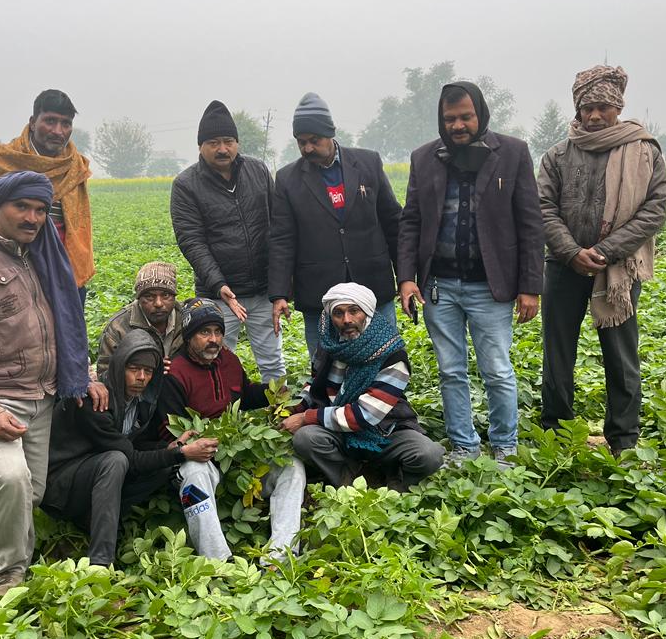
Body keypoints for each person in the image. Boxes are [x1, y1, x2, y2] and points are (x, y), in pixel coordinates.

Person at [0, 171, 106, 594]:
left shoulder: (45, 254)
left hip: (42, 394)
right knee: (12, 478)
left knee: (33, 490)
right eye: (22, 207)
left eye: (41, 210)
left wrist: (84, 373)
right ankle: (7, 575)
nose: (32, 218)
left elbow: (65, 323)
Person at [396, 82, 544, 468]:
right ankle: (464, 447)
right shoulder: (425, 157)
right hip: (439, 286)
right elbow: (411, 220)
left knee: (497, 369)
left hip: (490, 287)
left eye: (465, 117)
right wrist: (407, 278)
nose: (457, 125)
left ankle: (505, 445)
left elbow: (531, 224)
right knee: (450, 371)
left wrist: (530, 286)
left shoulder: (512, 153)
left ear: (480, 114)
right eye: (450, 119)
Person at [537, 65, 666, 455]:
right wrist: (571, 251)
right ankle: (556, 432)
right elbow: (543, 208)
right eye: (586, 108)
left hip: (618, 270)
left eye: (602, 108)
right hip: (563, 267)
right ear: (577, 110)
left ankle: (623, 440)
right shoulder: (557, 155)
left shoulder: (644, 151)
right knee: (558, 352)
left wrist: (605, 251)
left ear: (618, 108)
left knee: (620, 353)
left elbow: (654, 210)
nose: (594, 116)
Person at [43, 330, 217, 567]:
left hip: (96, 475)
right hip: (61, 486)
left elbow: (134, 444)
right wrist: (181, 453)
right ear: (119, 366)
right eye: (134, 369)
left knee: (161, 466)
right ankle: (100, 561)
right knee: (116, 461)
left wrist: (171, 447)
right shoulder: (96, 400)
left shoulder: (140, 401)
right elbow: (130, 458)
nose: (141, 378)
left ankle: (91, 520)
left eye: (148, 371)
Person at [162, 298, 305, 562]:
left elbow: (243, 395)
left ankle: (280, 555)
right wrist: (191, 448)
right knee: (194, 474)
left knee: (291, 467)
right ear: (189, 336)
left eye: (218, 332)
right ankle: (218, 561)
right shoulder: (175, 373)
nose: (214, 339)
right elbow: (170, 434)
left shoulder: (228, 360)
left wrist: (274, 393)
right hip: (201, 458)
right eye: (205, 332)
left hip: (238, 455)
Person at [269, 93, 402, 360]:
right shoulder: (287, 179)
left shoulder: (368, 163)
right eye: (301, 142)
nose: (307, 148)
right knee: (325, 367)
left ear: (330, 133)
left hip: (372, 284)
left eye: (314, 140)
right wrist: (279, 293)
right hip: (319, 291)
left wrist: (406, 276)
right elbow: (282, 239)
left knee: (385, 359)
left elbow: (393, 222)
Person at [283, 283, 444, 489]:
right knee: (306, 439)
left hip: (386, 430)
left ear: (367, 312)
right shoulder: (329, 345)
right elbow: (315, 385)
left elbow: (365, 415)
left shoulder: (391, 353)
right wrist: (293, 408)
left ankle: (392, 484)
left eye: (354, 311)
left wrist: (306, 417)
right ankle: (347, 479)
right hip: (339, 430)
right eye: (338, 313)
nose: (346, 320)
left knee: (429, 455)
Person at [170, 101, 284, 381]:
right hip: (218, 296)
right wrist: (219, 285)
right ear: (200, 146)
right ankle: (220, 409)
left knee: (272, 362)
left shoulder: (258, 171)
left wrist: (280, 285)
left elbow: (278, 227)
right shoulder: (186, 185)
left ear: (237, 143)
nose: (222, 149)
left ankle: (279, 407)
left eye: (228, 141)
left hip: (262, 292)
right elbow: (192, 240)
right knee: (214, 361)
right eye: (213, 143)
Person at [0, 89, 95, 288]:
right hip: (11, 273)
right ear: (33, 122)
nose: (58, 131)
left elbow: (77, 227)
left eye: (66, 124)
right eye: (50, 121)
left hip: (64, 272)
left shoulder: (75, 165)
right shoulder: (3, 160)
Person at [95, 262, 184, 379]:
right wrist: (145, 368)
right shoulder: (118, 327)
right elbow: (105, 374)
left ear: (174, 296)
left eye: (166, 295)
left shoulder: (187, 317)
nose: (158, 303)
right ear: (139, 299)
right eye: (149, 296)